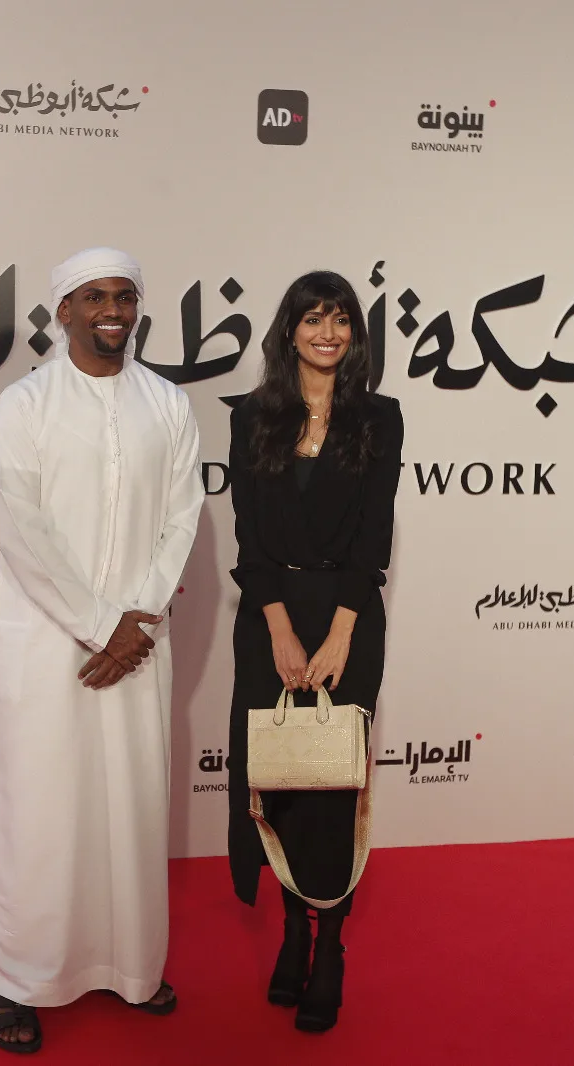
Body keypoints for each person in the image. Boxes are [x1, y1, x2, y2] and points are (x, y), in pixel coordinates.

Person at [0, 247, 204, 1054]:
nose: (113, 310)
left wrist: (137, 619)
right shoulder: (25, 404)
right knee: (41, 814)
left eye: (124, 296)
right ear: (64, 311)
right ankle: (18, 979)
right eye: (94, 297)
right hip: (49, 644)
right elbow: (20, 525)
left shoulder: (168, 404)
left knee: (132, 809)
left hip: (137, 642)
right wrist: (98, 622)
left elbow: (182, 514)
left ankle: (131, 968)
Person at [225, 270, 403, 1032]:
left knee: (333, 781)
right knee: (280, 780)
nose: (327, 333)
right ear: (289, 331)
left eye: (341, 320)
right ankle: (292, 933)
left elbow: (373, 536)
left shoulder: (380, 417)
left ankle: (329, 945)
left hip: (348, 620)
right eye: (313, 319)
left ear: (354, 334)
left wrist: (337, 631)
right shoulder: (253, 417)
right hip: (271, 619)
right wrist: (279, 628)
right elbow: (248, 536)